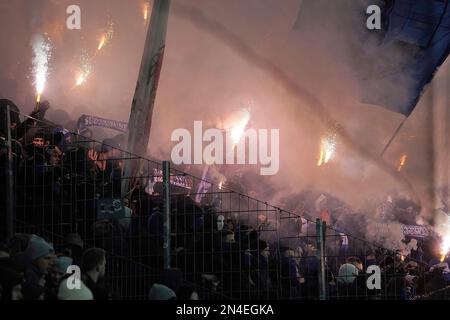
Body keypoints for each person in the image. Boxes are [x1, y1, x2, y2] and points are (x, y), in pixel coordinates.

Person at [22, 235, 56, 300]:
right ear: (35, 259)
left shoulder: (36, 276)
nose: (51, 263)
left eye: (51, 259)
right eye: (47, 258)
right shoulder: (30, 278)